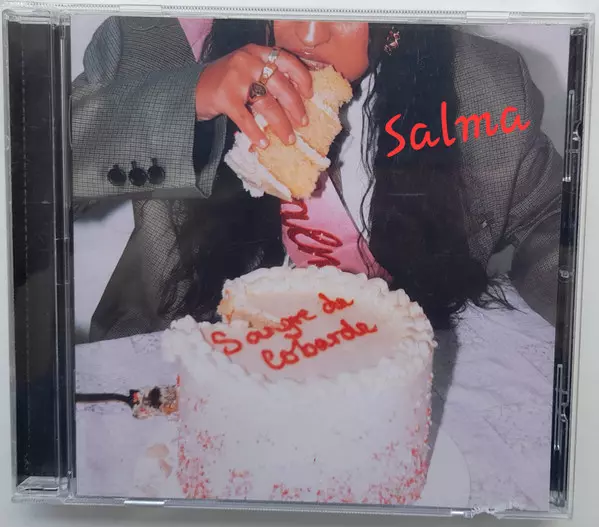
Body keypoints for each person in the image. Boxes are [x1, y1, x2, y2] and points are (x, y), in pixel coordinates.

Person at [72, 17, 562, 341]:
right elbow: (40, 171)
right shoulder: (162, 43)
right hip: (186, 372)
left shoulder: (484, 84)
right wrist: (187, 99)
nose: (307, 35)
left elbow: (554, 219)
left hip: (387, 382)